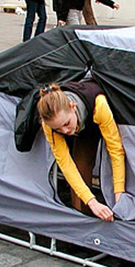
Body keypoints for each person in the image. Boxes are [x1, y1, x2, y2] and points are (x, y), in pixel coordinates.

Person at [37, 80, 125, 221]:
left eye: (66, 124)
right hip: (83, 132)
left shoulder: (99, 105)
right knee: (80, 167)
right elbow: (65, 164)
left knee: (118, 168)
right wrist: (92, 202)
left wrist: (119, 194)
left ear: (72, 107)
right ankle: (82, 220)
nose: (65, 131)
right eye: (58, 129)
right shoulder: (49, 124)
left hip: (95, 118)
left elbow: (116, 150)